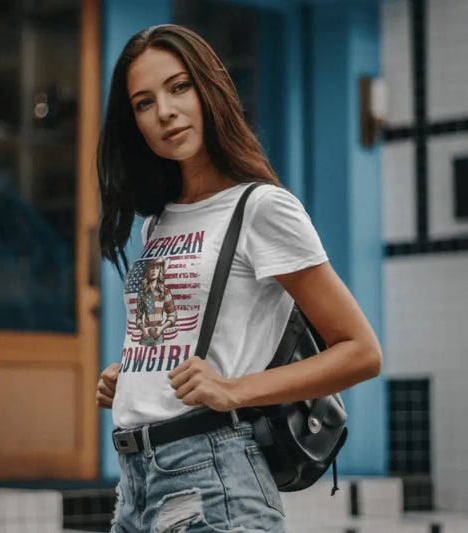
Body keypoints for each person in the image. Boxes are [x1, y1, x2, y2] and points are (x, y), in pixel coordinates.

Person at [95, 24, 382, 533]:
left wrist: (236, 390)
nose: (164, 111)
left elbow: (360, 351)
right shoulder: (155, 222)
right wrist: (135, 377)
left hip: (214, 481)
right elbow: (186, 338)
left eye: (179, 87)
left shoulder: (262, 208)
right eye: (143, 102)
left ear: (210, 90)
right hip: (135, 483)